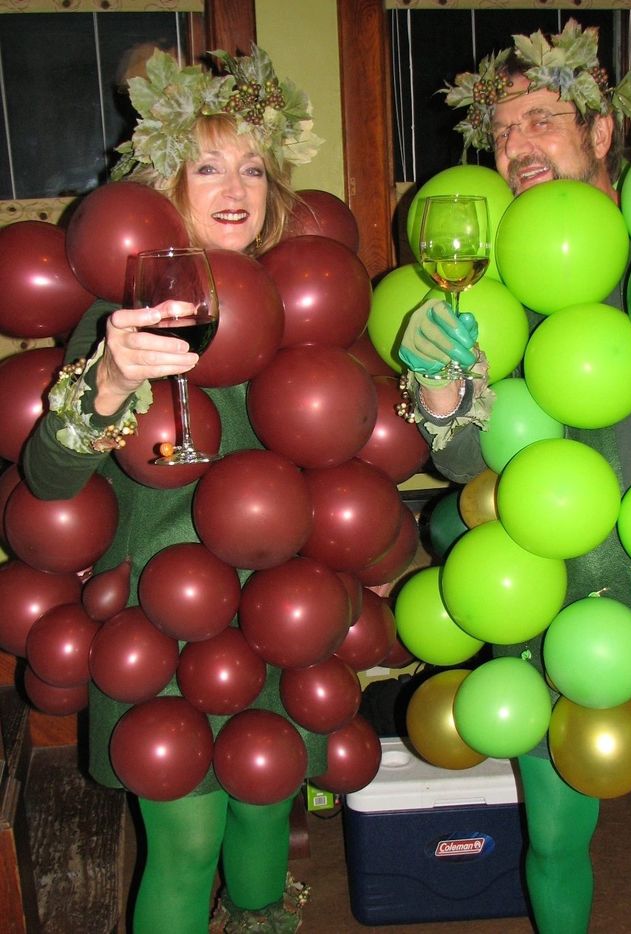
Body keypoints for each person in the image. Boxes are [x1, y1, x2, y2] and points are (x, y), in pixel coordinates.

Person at [398, 19, 631, 934]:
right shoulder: (492, 282)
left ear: (598, 135)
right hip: (545, 594)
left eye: (542, 120)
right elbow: (466, 466)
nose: (516, 146)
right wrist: (437, 396)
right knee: (552, 840)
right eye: (503, 132)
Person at [23, 45, 323, 934]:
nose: (236, 187)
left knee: (268, 816)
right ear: (166, 181)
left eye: (254, 167)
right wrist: (110, 382)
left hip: (279, 614)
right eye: (207, 165)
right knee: (187, 842)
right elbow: (47, 477)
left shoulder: (301, 303)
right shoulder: (122, 323)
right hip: (160, 624)